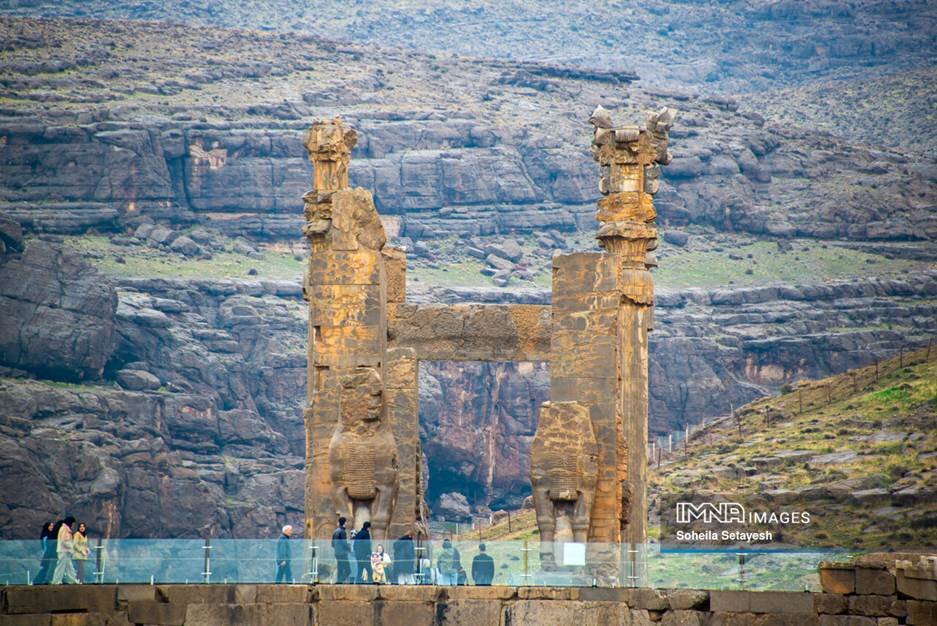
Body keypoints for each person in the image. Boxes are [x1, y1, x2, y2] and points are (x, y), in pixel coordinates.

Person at [51, 517, 78, 584]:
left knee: (69, 567)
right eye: (73, 523)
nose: (73, 525)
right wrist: (72, 547)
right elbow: (65, 541)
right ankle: (56, 581)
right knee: (61, 566)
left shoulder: (64, 528)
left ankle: (73, 580)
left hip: (65, 551)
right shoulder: (65, 529)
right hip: (64, 551)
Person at [331, 516, 351, 584]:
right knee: (348, 570)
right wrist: (349, 549)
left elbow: (332, 544)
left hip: (337, 553)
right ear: (345, 523)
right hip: (343, 553)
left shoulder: (335, 531)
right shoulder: (342, 532)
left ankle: (339, 581)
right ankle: (340, 581)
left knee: (340, 568)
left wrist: (337, 548)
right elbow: (344, 543)